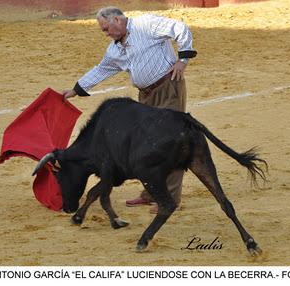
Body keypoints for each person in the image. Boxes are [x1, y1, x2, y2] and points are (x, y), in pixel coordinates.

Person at [62, 6, 197, 214]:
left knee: (169, 142)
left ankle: (170, 199)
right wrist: (76, 89)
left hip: (169, 86)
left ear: (117, 20)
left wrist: (183, 59)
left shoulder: (146, 24)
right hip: (145, 95)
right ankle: (151, 193)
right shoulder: (115, 49)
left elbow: (180, 28)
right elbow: (101, 70)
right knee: (147, 146)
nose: (105, 34)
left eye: (106, 29)